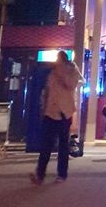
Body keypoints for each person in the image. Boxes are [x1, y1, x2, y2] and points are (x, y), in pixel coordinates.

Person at [30, 50, 82, 186]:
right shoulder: (51, 73)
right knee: (46, 145)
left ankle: (62, 174)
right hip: (50, 112)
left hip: (64, 113)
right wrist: (43, 107)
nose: (56, 63)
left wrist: (61, 72)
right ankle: (40, 174)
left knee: (63, 145)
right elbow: (47, 91)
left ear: (64, 60)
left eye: (58, 60)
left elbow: (71, 85)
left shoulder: (72, 71)